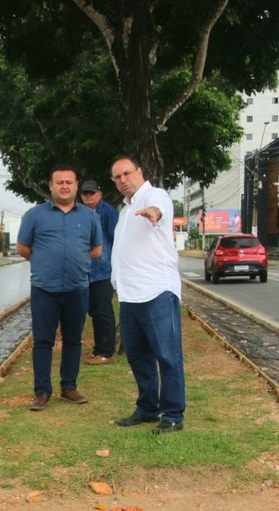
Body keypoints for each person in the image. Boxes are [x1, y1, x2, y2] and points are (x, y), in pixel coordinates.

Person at [108, 154, 185, 434]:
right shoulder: (124, 210)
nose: (123, 180)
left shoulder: (155, 195)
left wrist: (153, 212)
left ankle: (173, 414)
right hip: (129, 296)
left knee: (167, 355)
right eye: (117, 177)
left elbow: (159, 208)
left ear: (139, 172)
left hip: (156, 292)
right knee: (138, 356)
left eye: (127, 174)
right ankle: (148, 407)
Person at [16, 164, 103, 411]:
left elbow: (96, 249)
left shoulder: (89, 216)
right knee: (43, 341)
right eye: (59, 182)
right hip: (44, 288)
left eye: (69, 182)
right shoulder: (34, 215)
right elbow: (22, 248)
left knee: (73, 340)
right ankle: (42, 391)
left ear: (76, 186)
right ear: (51, 186)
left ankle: (69, 387)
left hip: (78, 287)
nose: (64, 186)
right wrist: (46, 261)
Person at [79, 180, 120, 365]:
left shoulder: (109, 212)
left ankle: (106, 352)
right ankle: (98, 349)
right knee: (94, 311)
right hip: (86, 272)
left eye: (91, 193)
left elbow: (116, 240)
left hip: (104, 272)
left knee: (104, 312)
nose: (88, 197)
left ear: (99, 194)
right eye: (85, 193)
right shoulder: (80, 213)